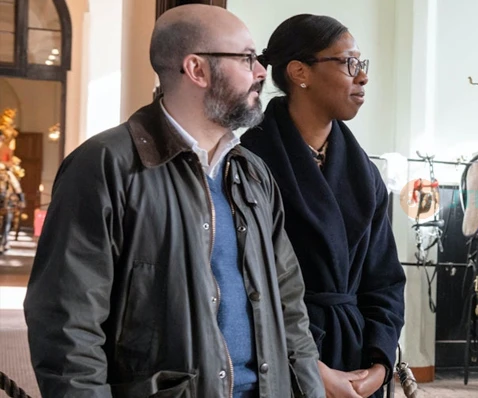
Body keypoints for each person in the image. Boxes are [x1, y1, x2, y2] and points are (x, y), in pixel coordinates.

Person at [23, 5, 324, 397]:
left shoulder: (253, 173)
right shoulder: (105, 167)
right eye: (247, 58)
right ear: (197, 69)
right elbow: (68, 326)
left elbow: (289, 304)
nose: (261, 72)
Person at [241, 14, 406, 398]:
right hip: (281, 360)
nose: (362, 77)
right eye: (349, 63)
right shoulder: (249, 162)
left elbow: (384, 278)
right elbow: (242, 287)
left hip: (357, 358)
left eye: (362, 64)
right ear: (301, 72)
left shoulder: (364, 172)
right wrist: (309, 369)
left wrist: (380, 363)